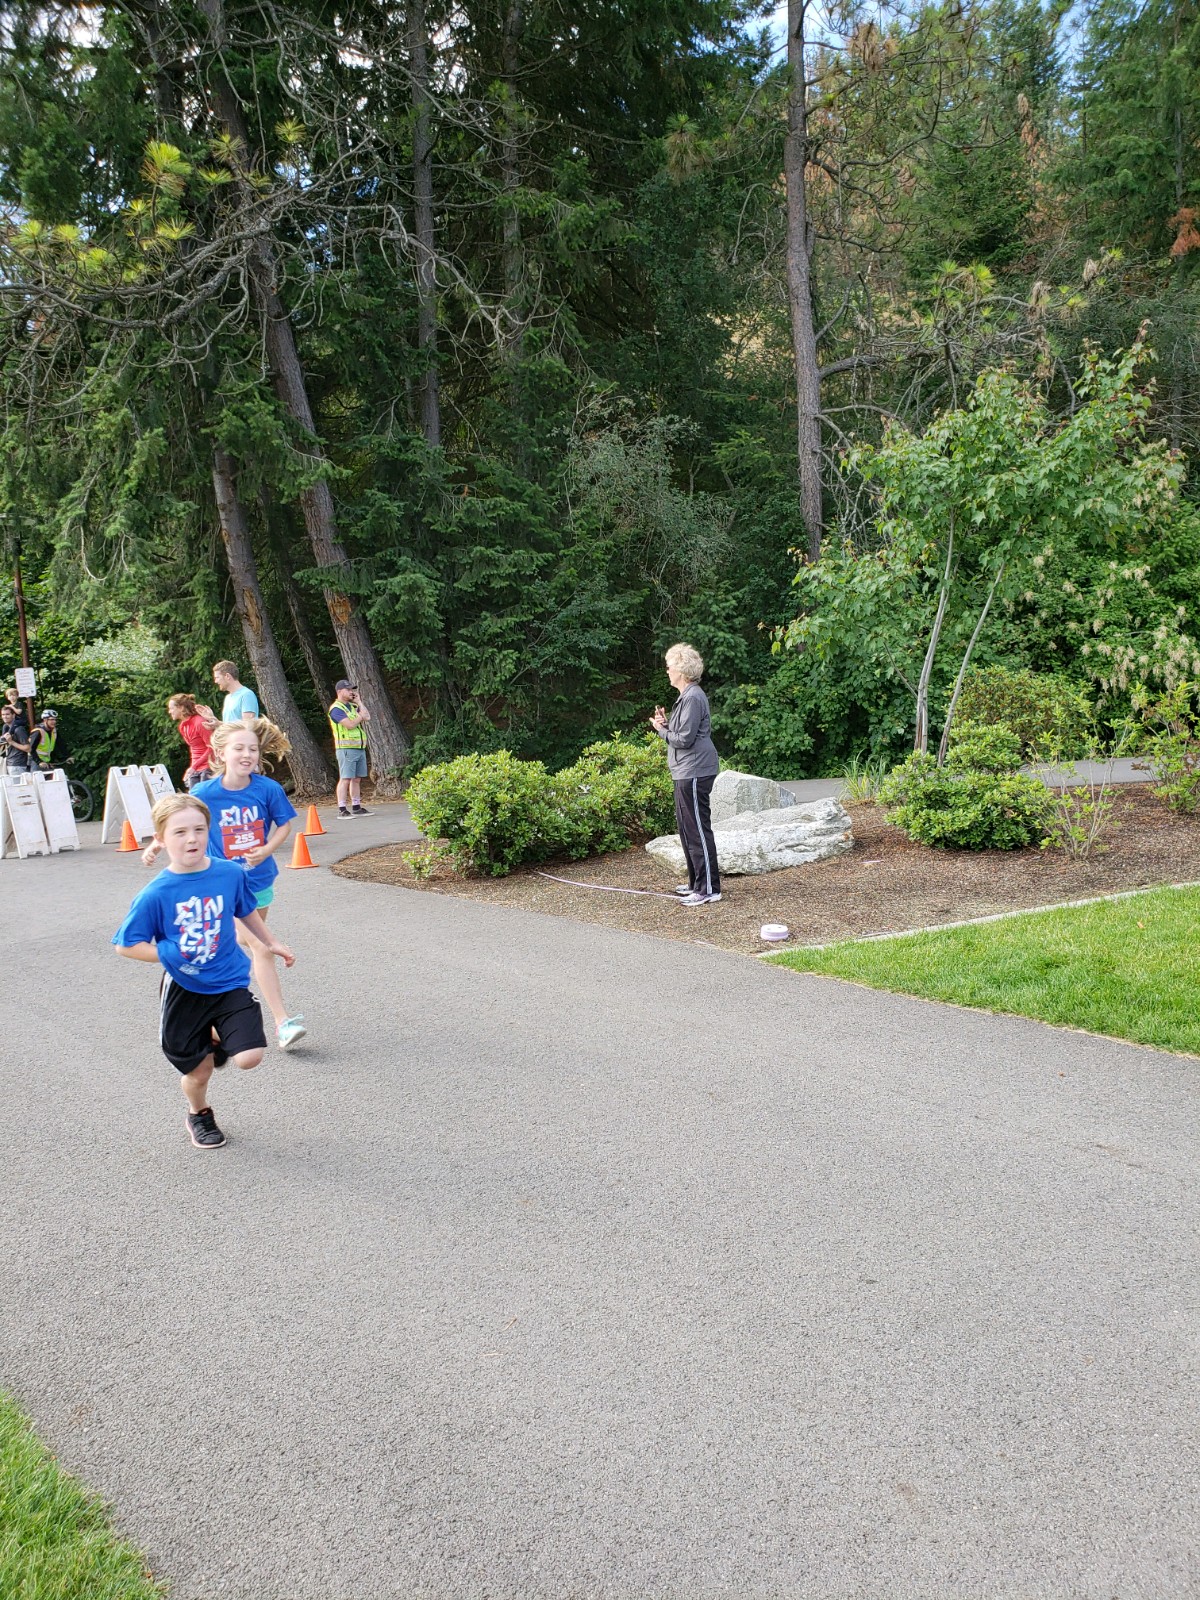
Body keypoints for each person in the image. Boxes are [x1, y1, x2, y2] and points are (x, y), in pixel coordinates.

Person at [114, 792, 295, 1150]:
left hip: (229, 980)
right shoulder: (156, 893)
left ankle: (217, 1032)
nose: (192, 839)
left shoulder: (229, 873)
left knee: (250, 1057)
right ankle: (199, 1113)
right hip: (185, 987)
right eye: (180, 832)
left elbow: (245, 910)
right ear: (161, 839)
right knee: (199, 1072)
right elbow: (126, 945)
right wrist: (169, 953)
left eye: (199, 829)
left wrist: (271, 941)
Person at [187, 718, 307, 1051]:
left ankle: (213, 1014)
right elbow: (182, 821)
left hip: (259, 881)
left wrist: (267, 849)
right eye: (238, 748)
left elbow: (284, 825)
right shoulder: (204, 794)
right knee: (260, 945)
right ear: (220, 753)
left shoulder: (267, 789)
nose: (247, 755)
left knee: (244, 941)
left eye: (252, 749)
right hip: (223, 885)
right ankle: (283, 1023)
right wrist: (159, 844)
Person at [649, 642, 722, 906]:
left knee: (697, 830)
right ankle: (696, 883)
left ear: (681, 670)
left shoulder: (692, 697)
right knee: (687, 829)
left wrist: (662, 731)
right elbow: (682, 733)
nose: (667, 670)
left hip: (695, 770)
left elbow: (685, 740)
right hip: (686, 770)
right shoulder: (687, 697)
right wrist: (667, 724)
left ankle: (709, 889)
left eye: (669, 666)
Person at [328, 679, 371, 819]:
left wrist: (359, 702)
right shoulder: (336, 709)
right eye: (348, 690)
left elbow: (367, 717)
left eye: (352, 689)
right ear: (339, 691)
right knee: (345, 778)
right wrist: (360, 716)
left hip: (358, 747)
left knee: (356, 779)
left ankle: (356, 806)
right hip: (345, 748)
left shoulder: (352, 707)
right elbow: (350, 725)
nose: (351, 692)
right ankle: (342, 809)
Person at [168, 693, 218, 789]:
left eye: (171, 708)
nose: (169, 711)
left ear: (181, 708)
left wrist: (194, 766)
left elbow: (212, 747)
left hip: (208, 768)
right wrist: (193, 767)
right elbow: (194, 749)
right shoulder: (182, 726)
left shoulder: (199, 722)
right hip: (195, 768)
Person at [212, 660, 259, 725]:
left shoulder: (246, 695)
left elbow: (248, 725)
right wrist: (217, 724)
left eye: (217, 677)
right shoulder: (228, 698)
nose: (215, 681)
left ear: (227, 676)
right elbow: (231, 725)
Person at [0, 703, 30, 772]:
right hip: (9, 763)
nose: (5, 717)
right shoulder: (6, 727)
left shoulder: (19, 729)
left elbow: (28, 748)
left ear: (13, 715)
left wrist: (11, 742)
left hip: (17, 765)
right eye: (3, 715)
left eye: (7, 714)